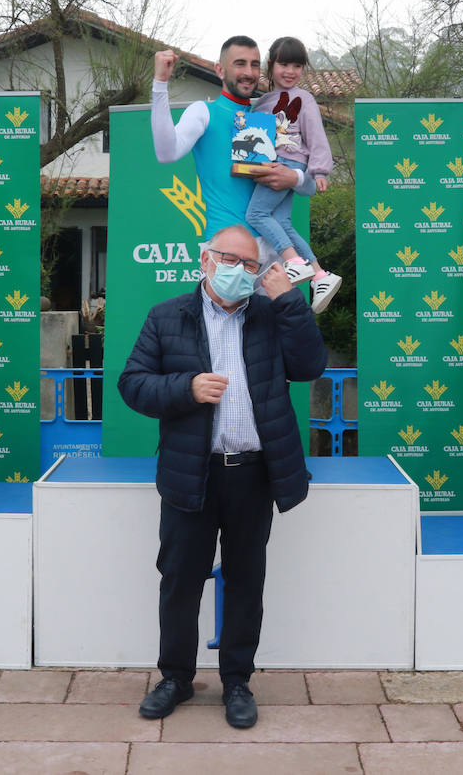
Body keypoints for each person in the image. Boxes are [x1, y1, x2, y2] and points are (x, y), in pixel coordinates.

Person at [118, 224, 327, 729]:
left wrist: (290, 304)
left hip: (254, 474)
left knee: (245, 581)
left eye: (250, 265)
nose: (240, 271)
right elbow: (133, 385)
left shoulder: (272, 315)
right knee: (180, 580)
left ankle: (237, 681)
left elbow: (310, 366)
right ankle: (176, 678)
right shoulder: (168, 316)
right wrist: (185, 387)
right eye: (229, 260)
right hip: (193, 473)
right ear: (205, 260)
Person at [150, 38, 319, 282]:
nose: (249, 72)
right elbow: (166, 153)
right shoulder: (204, 111)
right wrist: (160, 84)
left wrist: (293, 176)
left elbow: (311, 186)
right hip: (226, 250)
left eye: (254, 65)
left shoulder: (270, 116)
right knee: (222, 321)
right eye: (240, 64)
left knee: (272, 321)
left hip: (275, 252)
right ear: (220, 69)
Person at [245, 36, 341, 313]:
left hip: (289, 162)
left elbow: (317, 137)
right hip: (270, 163)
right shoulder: (263, 101)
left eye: (297, 65)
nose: (290, 71)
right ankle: (320, 275)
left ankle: (295, 263)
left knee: (257, 215)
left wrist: (320, 170)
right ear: (271, 66)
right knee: (282, 221)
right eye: (284, 64)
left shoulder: (304, 99)